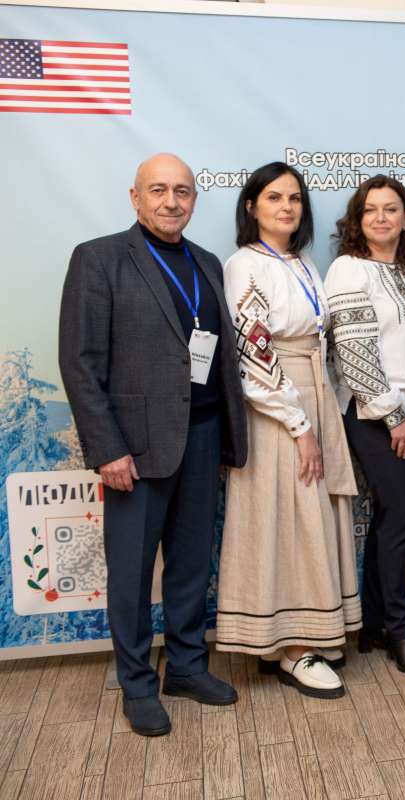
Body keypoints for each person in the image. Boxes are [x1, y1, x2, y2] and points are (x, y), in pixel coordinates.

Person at [58, 153, 248, 736]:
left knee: (191, 565)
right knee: (133, 572)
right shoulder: (99, 259)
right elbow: (80, 362)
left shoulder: (207, 263)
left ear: (194, 200)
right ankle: (138, 683)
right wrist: (107, 449)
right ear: (135, 197)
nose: (171, 201)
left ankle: (187, 668)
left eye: (182, 191)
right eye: (159, 190)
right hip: (135, 450)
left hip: (203, 436)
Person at [215, 162, 361, 700]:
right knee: (286, 517)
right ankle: (292, 647)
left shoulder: (301, 262)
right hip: (277, 406)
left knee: (309, 517)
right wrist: (299, 425)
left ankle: (301, 635)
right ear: (251, 206)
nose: (287, 207)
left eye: (295, 198)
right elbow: (253, 353)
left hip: (312, 392)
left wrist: (325, 410)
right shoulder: (244, 264)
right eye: (274, 197)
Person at [326, 175, 405, 677]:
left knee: (392, 517)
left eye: (391, 209)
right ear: (358, 218)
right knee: (402, 513)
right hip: (373, 412)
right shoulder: (348, 269)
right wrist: (393, 417)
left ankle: (374, 623)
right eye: (371, 210)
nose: (381, 217)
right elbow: (354, 353)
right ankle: (399, 630)